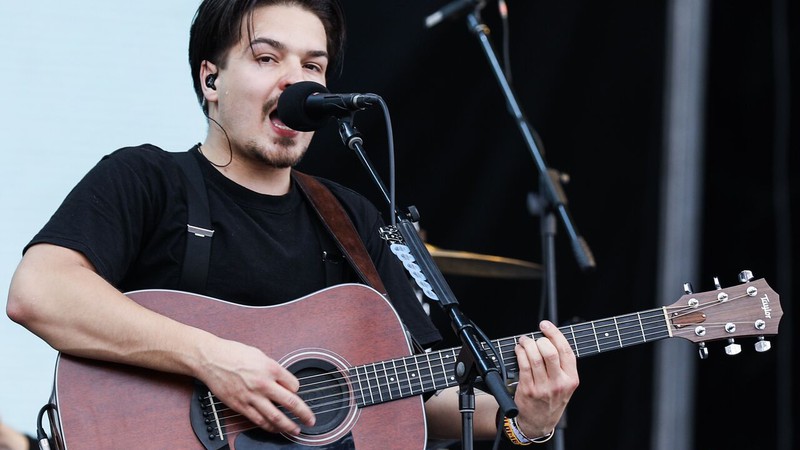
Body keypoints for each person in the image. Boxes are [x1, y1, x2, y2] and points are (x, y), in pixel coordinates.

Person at [6, 0, 578, 447]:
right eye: (266, 58)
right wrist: (210, 357)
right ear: (211, 79)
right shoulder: (147, 179)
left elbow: (411, 397)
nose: (296, 83)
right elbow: (39, 292)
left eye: (313, 65)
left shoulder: (353, 218)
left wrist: (527, 419)